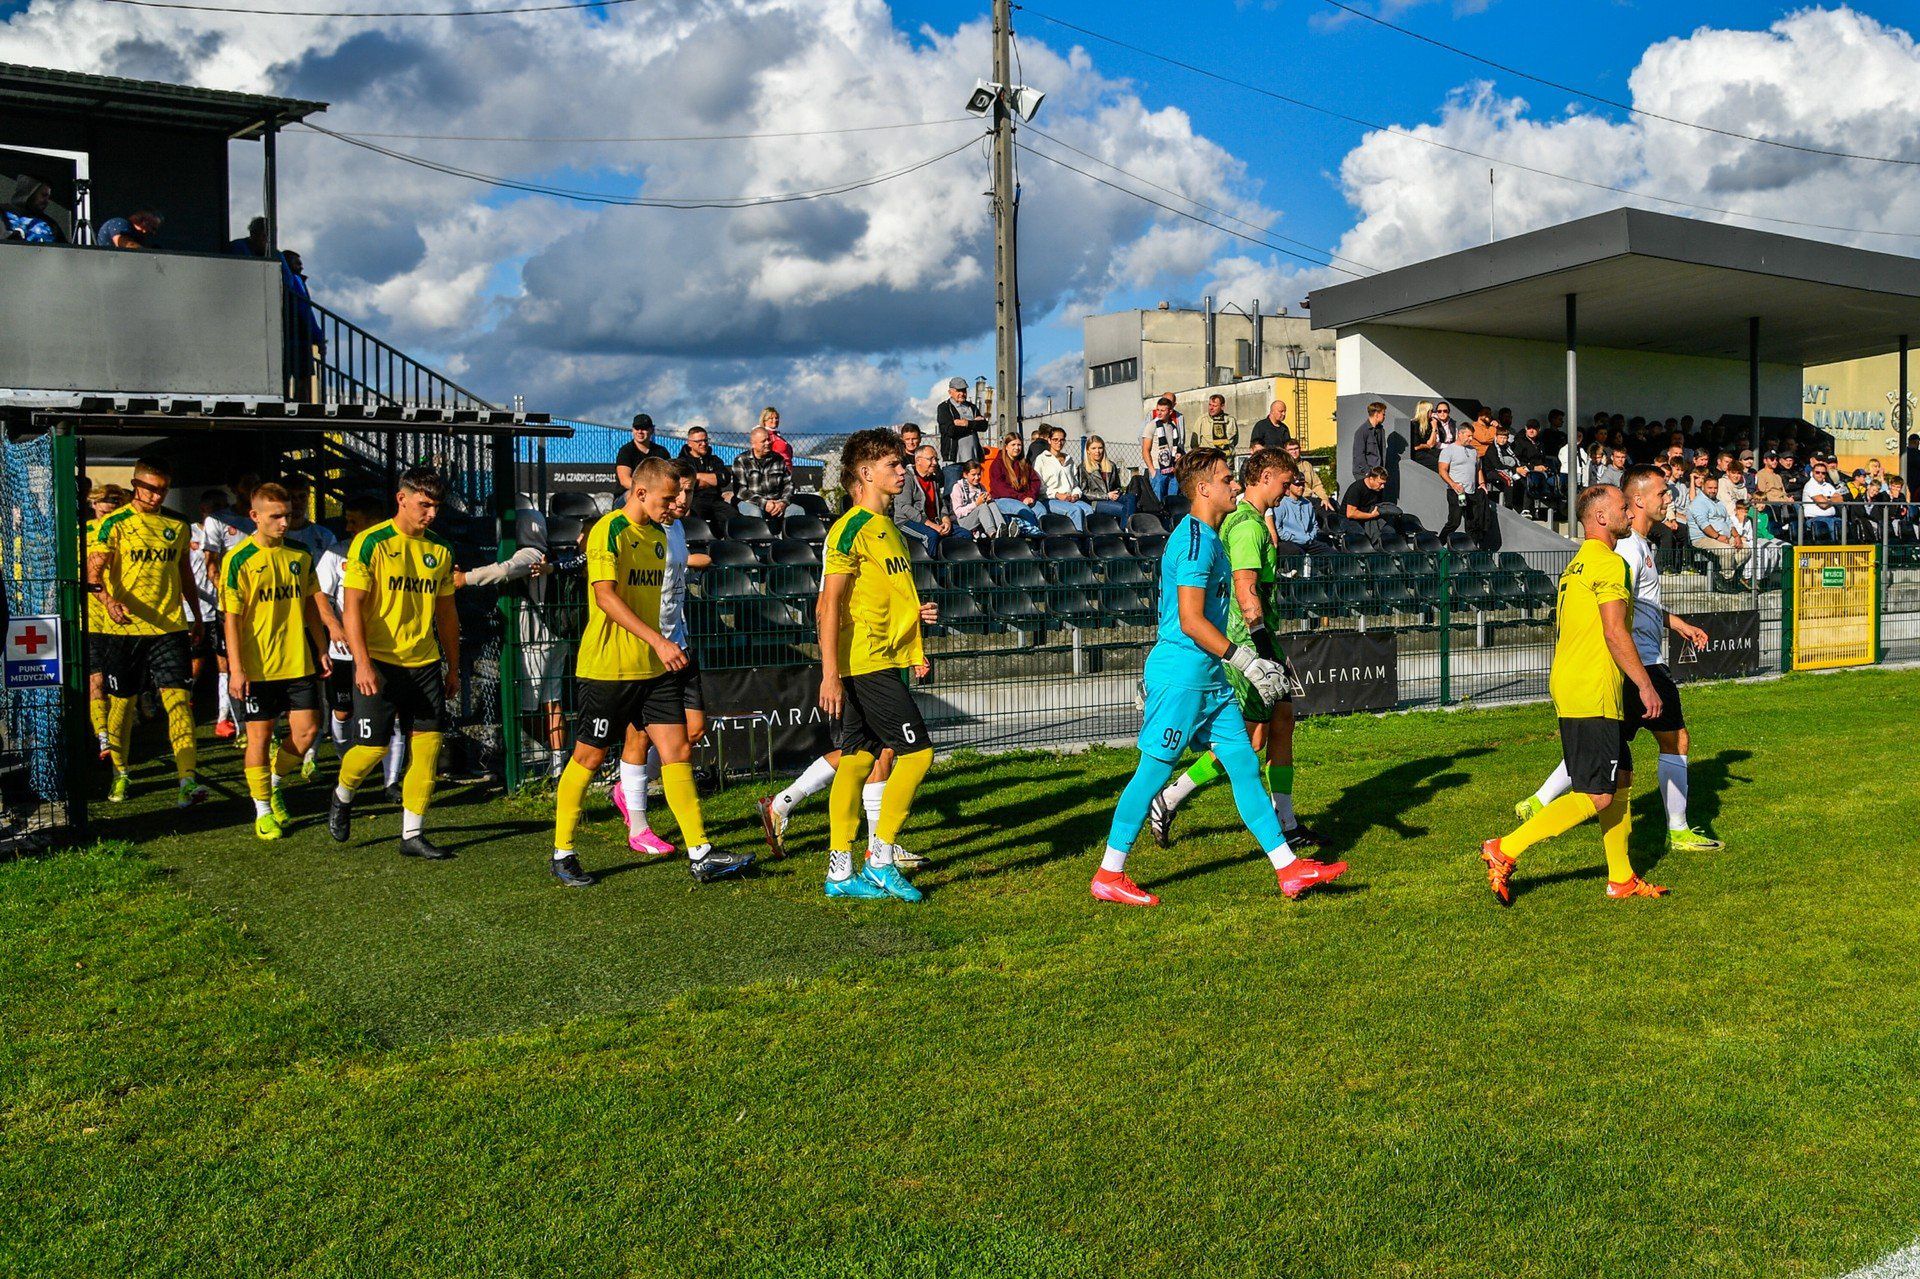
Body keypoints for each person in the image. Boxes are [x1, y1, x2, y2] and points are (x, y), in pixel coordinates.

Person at [1089, 449, 1346, 908]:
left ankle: (1288, 870)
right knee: (1153, 772)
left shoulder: (1210, 535)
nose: (1234, 485)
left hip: (1210, 677)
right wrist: (1246, 660)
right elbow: (1189, 620)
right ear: (1204, 488)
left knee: (1245, 764)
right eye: (1227, 479)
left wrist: (1240, 659)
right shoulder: (1193, 540)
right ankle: (1109, 873)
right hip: (1184, 677)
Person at [546, 459, 752, 887]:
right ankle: (563, 851)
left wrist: (664, 644)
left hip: (654, 667)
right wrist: (659, 641)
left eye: (679, 497)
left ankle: (701, 852)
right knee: (590, 755)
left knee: (677, 750)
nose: (674, 505)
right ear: (639, 493)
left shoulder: (661, 536)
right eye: (666, 498)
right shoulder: (609, 531)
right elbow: (605, 598)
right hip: (608, 668)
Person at [1515, 466, 1723, 856]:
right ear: (1636, 501)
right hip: (1637, 662)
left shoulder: (1632, 546)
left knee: (1612, 759)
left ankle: (1550, 810)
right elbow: (1614, 619)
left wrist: (1674, 622)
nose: (1668, 499)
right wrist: (1643, 678)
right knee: (1672, 741)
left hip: (1626, 663)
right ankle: (1676, 830)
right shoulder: (1621, 550)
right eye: (1661, 493)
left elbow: (1634, 605)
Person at [1480, 484, 1670, 906]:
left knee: (1619, 779)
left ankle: (1621, 878)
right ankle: (1506, 847)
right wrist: (1644, 684)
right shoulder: (1609, 563)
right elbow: (1614, 630)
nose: (1628, 512)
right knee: (1597, 793)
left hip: (1576, 682)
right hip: (1592, 689)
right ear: (1601, 518)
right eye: (1623, 507)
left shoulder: (1576, 564)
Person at [1147, 449, 1334, 855]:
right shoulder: (1246, 525)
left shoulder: (1250, 520)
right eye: (1286, 483)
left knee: (1282, 721)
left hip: (1261, 636)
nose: (1290, 491)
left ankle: (1286, 820)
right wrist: (1262, 651)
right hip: (1249, 639)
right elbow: (1245, 584)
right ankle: (1171, 797)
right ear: (1265, 477)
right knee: (1250, 740)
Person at [816, 429, 942, 902]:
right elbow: (828, 606)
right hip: (864, 661)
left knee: (859, 759)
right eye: (893, 464)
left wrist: (916, 624)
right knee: (917, 753)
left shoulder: (889, 528)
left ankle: (839, 870)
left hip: (883, 657)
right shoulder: (850, 527)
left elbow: (884, 597)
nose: (902, 470)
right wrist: (830, 673)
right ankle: (881, 859)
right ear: (865, 474)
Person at [328, 467, 461, 860]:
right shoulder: (370, 543)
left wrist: (452, 666)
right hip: (380, 663)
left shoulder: (441, 549)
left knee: (428, 748)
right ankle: (342, 794)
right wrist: (362, 662)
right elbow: (350, 607)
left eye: (436, 506)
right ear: (401, 499)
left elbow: (447, 614)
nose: (431, 514)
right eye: (424, 505)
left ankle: (412, 834)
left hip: (424, 664)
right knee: (371, 749)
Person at [88, 457, 208, 808]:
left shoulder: (177, 525)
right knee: (123, 705)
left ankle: (187, 781)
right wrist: (109, 602)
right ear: (135, 485)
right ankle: (121, 773)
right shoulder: (114, 525)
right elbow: (93, 578)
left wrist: (195, 616)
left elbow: (184, 573)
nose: (157, 496)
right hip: (123, 630)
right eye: (151, 489)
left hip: (169, 627)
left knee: (178, 702)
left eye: (163, 490)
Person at [219, 483, 330, 842]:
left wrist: (322, 647)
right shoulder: (238, 559)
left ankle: (274, 781)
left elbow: (312, 604)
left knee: (308, 732)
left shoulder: (299, 554)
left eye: (288, 515)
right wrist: (237, 668)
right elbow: (231, 620)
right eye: (276, 516)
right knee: (259, 737)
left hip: (297, 661)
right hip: (258, 667)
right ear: (255, 516)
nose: (284, 523)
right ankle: (263, 810)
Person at [313, 497, 383, 758]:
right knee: (344, 710)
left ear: (373, 522)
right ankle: (345, 760)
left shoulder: (391, 550)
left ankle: (390, 778)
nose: (348, 527)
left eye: (354, 522)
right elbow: (319, 593)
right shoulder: (336, 553)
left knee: (386, 711)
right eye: (347, 521)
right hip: (343, 649)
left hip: (383, 647)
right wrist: (333, 625)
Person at [201, 475, 259, 741]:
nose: (251, 489)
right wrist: (227, 595)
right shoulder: (219, 520)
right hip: (231, 607)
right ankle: (236, 723)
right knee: (229, 663)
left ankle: (265, 723)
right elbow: (211, 563)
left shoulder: (264, 517)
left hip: (264, 605)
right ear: (236, 487)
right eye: (247, 484)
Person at [83, 484, 130, 759]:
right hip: (91, 617)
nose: (110, 504)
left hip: (122, 617)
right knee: (96, 679)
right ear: (93, 503)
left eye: (116, 500)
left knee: (120, 686)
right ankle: (103, 737)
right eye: (104, 500)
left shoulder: (125, 531)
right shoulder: (81, 532)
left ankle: (117, 733)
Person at [891, 444, 953, 557]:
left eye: (936, 459)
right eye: (931, 459)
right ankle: (932, 571)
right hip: (906, 522)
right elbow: (905, 508)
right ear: (918, 460)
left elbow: (941, 503)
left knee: (964, 534)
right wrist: (932, 525)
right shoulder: (907, 478)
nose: (935, 462)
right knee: (930, 536)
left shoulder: (934, 478)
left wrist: (946, 519)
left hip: (935, 521)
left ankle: (955, 571)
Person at [1688, 473, 1750, 584]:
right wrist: (1717, 536)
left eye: (1715, 488)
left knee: (1745, 549)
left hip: (1725, 536)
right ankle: (1727, 579)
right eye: (1710, 488)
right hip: (1703, 538)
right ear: (1703, 487)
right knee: (1727, 551)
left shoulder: (1719, 502)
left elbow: (1728, 521)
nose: (1713, 490)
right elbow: (1704, 525)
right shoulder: (1698, 503)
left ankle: (1723, 575)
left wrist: (1736, 536)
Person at [984, 432, 1046, 534]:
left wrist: (1030, 496)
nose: (1017, 448)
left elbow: (1035, 481)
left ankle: (1040, 539)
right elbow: (1000, 488)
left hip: (1024, 498)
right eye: (1013, 445)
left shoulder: (1024, 463)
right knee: (1024, 510)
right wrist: (1021, 498)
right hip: (1002, 499)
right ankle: (1032, 536)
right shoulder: (998, 464)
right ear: (1006, 447)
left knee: (1041, 510)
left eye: (1019, 445)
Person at [1035, 428, 1095, 531]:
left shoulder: (1069, 459)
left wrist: (1076, 494)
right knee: (1075, 511)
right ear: (1049, 440)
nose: (1059, 442)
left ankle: (1088, 542)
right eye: (1055, 439)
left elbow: (1075, 483)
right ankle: (1076, 542)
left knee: (1088, 510)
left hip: (1070, 498)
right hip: (1050, 499)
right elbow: (1039, 486)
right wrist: (1057, 495)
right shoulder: (1041, 459)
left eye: (1062, 440)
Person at [677, 426, 735, 523]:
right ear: (689, 443)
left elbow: (724, 479)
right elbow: (686, 484)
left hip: (716, 501)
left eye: (706, 440)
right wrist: (712, 480)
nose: (703, 444)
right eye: (699, 441)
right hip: (694, 501)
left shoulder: (714, 460)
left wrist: (697, 476)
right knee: (695, 521)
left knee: (735, 519)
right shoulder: (682, 462)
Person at [734, 426, 793, 519]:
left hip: (776, 502)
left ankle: (785, 534)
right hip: (751, 502)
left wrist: (783, 502)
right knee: (755, 513)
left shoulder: (778, 459)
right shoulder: (741, 460)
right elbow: (740, 491)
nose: (768, 443)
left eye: (769, 439)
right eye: (763, 441)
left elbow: (789, 484)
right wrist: (764, 503)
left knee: (797, 511)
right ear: (753, 444)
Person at [936, 377, 989, 475]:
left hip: (973, 460)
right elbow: (950, 431)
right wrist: (973, 425)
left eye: (964, 390)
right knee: (953, 489)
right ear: (950, 392)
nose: (962, 394)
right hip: (954, 461)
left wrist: (966, 423)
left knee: (972, 490)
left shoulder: (971, 407)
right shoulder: (944, 408)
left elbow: (984, 426)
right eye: (958, 391)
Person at [1272, 470, 1331, 556]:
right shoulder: (1281, 503)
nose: (1301, 487)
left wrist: (1310, 537)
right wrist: (1292, 537)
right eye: (1297, 485)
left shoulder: (1308, 503)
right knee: (1296, 553)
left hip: (1308, 542)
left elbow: (1314, 525)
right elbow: (1278, 528)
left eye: (1302, 485)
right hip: (1291, 542)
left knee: (1332, 554)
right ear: (1289, 485)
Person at [1080, 436, 1135, 523]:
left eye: (1100, 448)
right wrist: (1106, 495)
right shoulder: (1083, 468)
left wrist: (1116, 493)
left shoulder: (1111, 465)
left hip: (1112, 498)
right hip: (1095, 501)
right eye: (1093, 448)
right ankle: (1127, 531)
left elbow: (1118, 486)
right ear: (1088, 450)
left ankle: (1126, 529)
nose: (1097, 451)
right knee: (1124, 509)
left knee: (1131, 498)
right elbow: (1084, 492)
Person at [1141, 395, 1184, 503]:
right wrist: (1152, 470)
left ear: (1170, 412)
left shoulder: (1173, 426)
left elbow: (1175, 446)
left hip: (1172, 469)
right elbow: (1145, 449)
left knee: (1172, 502)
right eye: (1158, 410)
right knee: (1158, 503)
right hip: (1158, 469)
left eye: (1162, 410)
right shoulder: (1152, 425)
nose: (1159, 413)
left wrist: (1177, 455)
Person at [615, 414, 673, 492]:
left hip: (656, 494)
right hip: (628, 494)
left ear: (652, 430)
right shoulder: (625, 451)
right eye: (637, 428)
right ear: (632, 429)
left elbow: (669, 477)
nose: (640, 431)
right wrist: (647, 490)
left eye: (644, 428)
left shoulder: (661, 451)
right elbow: (625, 481)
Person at [948, 458, 1004, 537]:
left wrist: (988, 499)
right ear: (965, 475)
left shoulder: (981, 486)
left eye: (979, 474)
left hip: (977, 519)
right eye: (973, 475)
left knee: (991, 503)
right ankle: (993, 534)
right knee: (982, 507)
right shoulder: (958, 487)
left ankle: (1002, 528)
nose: (977, 477)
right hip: (961, 522)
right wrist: (976, 504)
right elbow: (958, 513)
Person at [4, 176, 66, 244]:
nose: (47, 201)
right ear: (30, 193)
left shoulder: (50, 224)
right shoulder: (3, 213)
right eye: (43, 195)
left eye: (48, 197)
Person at [1342, 467, 1394, 545]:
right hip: (1348, 520)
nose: (1383, 486)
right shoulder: (1356, 488)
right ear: (1371, 479)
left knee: (1389, 531)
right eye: (1380, 483)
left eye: (1384, 483)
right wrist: (1371, 515)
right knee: (1360, 536)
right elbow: (1350, 514)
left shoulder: (1378, 489)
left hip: (1368, 517)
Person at [1191, 393, 1243, 462]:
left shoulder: (1231, 420)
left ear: (1222, 406)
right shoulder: (1202, 420)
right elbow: (1194, 444)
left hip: (1226, 462)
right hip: (1207, 462)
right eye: (1210, 405)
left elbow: (1235, 441)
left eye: (1214, 406)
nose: (1211, 408)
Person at [1351, 401, 1387, 478]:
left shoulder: (1380, 430)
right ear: (1376, 414)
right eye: (1383, 414)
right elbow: (1358, 455)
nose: (1384, 417)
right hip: (1364, 474)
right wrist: (1368, 473)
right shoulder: (1362, 431)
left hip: (1378, 473)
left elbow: (1382, 452)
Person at [96, 210, 161, 250]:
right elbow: (125, 244)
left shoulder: (138, 235)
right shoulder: (119, 223)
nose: (148, 230)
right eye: (149, 224)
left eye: (153, 228)